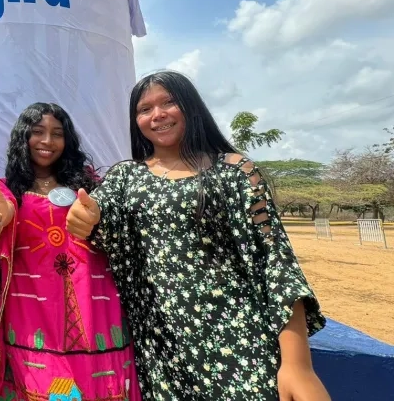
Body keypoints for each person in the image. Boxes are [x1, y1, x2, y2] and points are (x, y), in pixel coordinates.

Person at [66, 71, 330, 400]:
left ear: (191, 107)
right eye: (144, 109)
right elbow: (93, 219)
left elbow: (276, 265)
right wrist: (84, 219)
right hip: (160, 356)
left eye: (169, 102)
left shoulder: (236, 172)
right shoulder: (125, 179)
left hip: (242, 350)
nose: (157, 114)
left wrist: (297, 365)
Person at [0, 102, 141, 401]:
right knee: (50, 389)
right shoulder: (7, 188)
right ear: (23, 138)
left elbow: (113, 223)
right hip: (33, 315)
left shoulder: (90, 186)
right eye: (38, 132)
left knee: (100, 387)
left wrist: (97, 214)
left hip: (95, 308)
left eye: (57, 133)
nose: (47, 141)